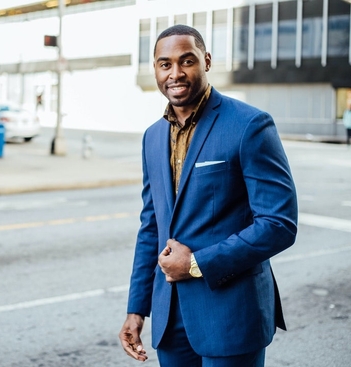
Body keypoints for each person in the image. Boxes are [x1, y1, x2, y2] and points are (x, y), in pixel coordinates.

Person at [118, 24, 298, 367]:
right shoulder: (152, 137)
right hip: (170, 317)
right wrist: (137, 308)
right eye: (165, 64)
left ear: (207, 61)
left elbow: (279, 223)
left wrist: (197, 263)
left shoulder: (249, 124)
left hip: (231, 313)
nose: (175, 73)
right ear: (154, 69)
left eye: (187, 61)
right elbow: (151, 227)